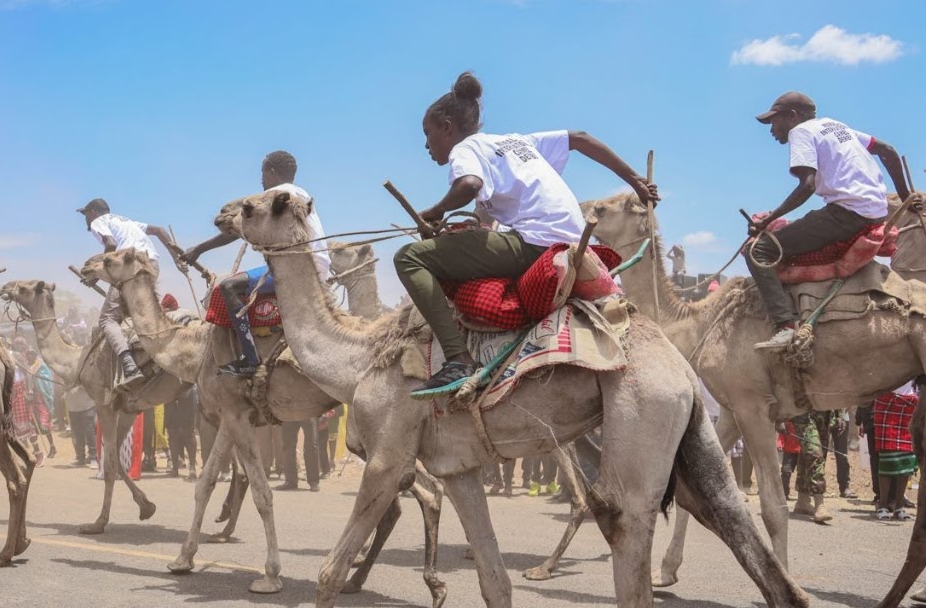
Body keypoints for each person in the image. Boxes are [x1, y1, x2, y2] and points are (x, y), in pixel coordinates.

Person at [396, 72, 657, 398]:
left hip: (536, 243)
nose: (425, 144)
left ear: (447, 128)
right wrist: (636, 181)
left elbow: (469, 185)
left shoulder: (465, 149)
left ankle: (457, 360)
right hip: (573, 238)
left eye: (427, 133)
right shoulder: (517, 142)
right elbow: (581, 137)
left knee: (408, 257)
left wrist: (435, 212)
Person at [746, 92, 911, 350]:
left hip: (846, 214)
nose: (772, 129)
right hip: (874, 212)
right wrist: (906, 197)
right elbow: (887, 151)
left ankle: (785, 326)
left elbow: (807, 186)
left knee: (759, 250)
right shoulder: (837, 127)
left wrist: (768, 220)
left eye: (774, 121)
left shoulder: (801, 132)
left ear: (793, 116)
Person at [182, 151, 331, 378]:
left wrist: (199, 249)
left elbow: (235, 227)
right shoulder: (301, 194)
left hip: (297, 271)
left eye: (263, 173)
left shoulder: (275, 196)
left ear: (271, 172)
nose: (261, 179)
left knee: (228, 287)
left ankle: (249, 359)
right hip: (317, 267)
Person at [77, 198, 180, 384]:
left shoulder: (98, 222)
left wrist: (96, 272)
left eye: (85, 214)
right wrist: (176, 257)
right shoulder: (127, 221)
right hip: (152, 265)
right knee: (130, 314)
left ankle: (129, 366)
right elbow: (159, 231)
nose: (85, 219)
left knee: (107, 319)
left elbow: (110, 244)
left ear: (93, 211)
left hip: (131, 268)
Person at [873, 383, 919, 521]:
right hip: (888, 403)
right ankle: (883, 505)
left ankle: (899, 506)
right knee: (887, 459)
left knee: (907, 459)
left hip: (910, 405)